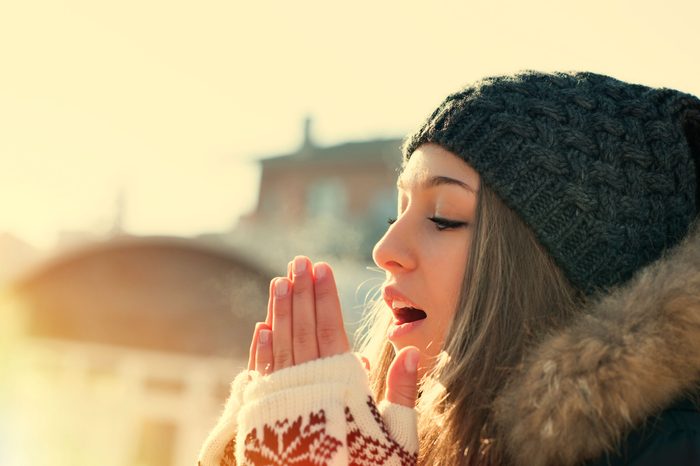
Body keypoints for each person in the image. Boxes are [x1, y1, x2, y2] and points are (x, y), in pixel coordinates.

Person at [198, 71, 700, 466]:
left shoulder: (670, 450)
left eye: (444, 217)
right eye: (397, 212)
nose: (385, 248)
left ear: (557, 263)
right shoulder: (389, 428)